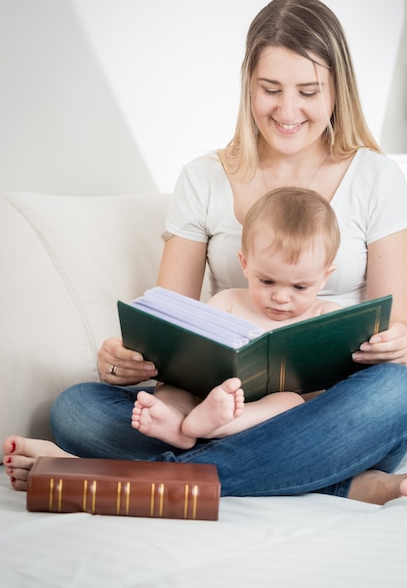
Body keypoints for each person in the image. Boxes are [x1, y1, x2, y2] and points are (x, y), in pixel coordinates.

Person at [3, 0, 407, 505]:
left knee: (400, 396)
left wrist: (398, 344)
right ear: (248, 85)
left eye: (308, 91)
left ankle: (133, 479)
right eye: (270, 89)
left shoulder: (376, 177)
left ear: (338, 90)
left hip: (316, 409)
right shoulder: (204, 177)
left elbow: (400, 336)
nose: (288, 110)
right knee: (77, 408)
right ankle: (335, 480)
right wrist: (128, 362)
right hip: (212, 405)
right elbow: (168, 324)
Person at [131, 187, 341, 448]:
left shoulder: (326, 316)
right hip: (209, 396)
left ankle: (219, 426)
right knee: (173, 388)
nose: (281, 297)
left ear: (324, 277)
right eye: (267, 281)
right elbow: (193, 351)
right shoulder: (228, 301)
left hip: (273, 420)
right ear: (245, 263)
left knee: (291, 400)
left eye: (299, 287)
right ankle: (176, 420)